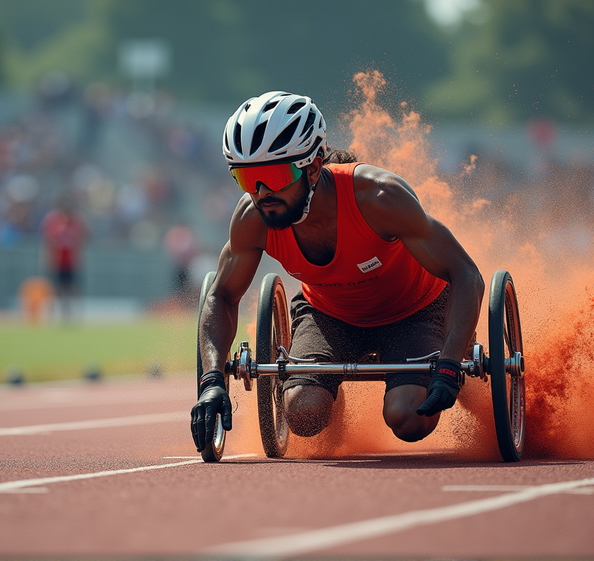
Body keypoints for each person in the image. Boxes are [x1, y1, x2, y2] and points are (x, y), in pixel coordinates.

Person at [191, 91, 485, 453]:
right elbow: (220, 295)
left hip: (415, 311)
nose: (261, 192)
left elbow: (465, 273)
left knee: (408, 418)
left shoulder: (378, 197)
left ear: (313, 167)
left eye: (272, 175)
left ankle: (455, 372)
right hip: (329, 315)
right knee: (303, 415)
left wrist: (452, 363)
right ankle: (327, 391)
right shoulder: (252, 219)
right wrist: (211, 380)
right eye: (246, 179)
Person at [40, 203, 87, 320]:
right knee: (58, 289)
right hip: (58, 262)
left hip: (71, 262)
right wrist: (47, 260)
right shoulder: (54, 224)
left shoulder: (76, 224)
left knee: (73, 289)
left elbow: (82, 240)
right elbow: (48, 243)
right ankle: (63, 313)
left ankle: (76, 313)